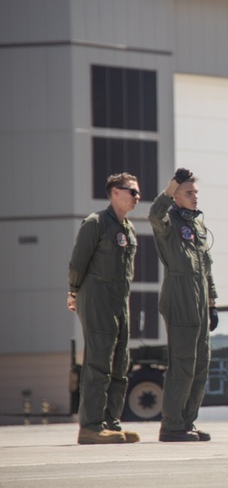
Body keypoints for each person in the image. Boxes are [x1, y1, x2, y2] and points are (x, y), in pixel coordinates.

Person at [67, 173, 142, 445]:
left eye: (137, 192)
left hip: (120, 301)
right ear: (114, 192)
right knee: (98, 362)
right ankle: (90, 425)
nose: (137, 196)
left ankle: (110, 422)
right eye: (132, 191)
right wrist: (74, 291)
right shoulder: (95, 223)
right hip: (97, 298)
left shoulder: (129, 229)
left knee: (120, 364)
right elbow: (77, 264)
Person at [149, 168, 218, 442]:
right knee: (183, 363)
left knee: (201, 363)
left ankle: (187, 422)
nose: (194, 197)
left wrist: (212, 302)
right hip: (179, 294)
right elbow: (153, 214)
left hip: (199, 295)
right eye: (188, 193)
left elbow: (206, 266)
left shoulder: (197, 224)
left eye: (196, 193)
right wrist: (170, 187)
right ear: (175, 197)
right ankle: (172, 425)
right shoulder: (168, 222)